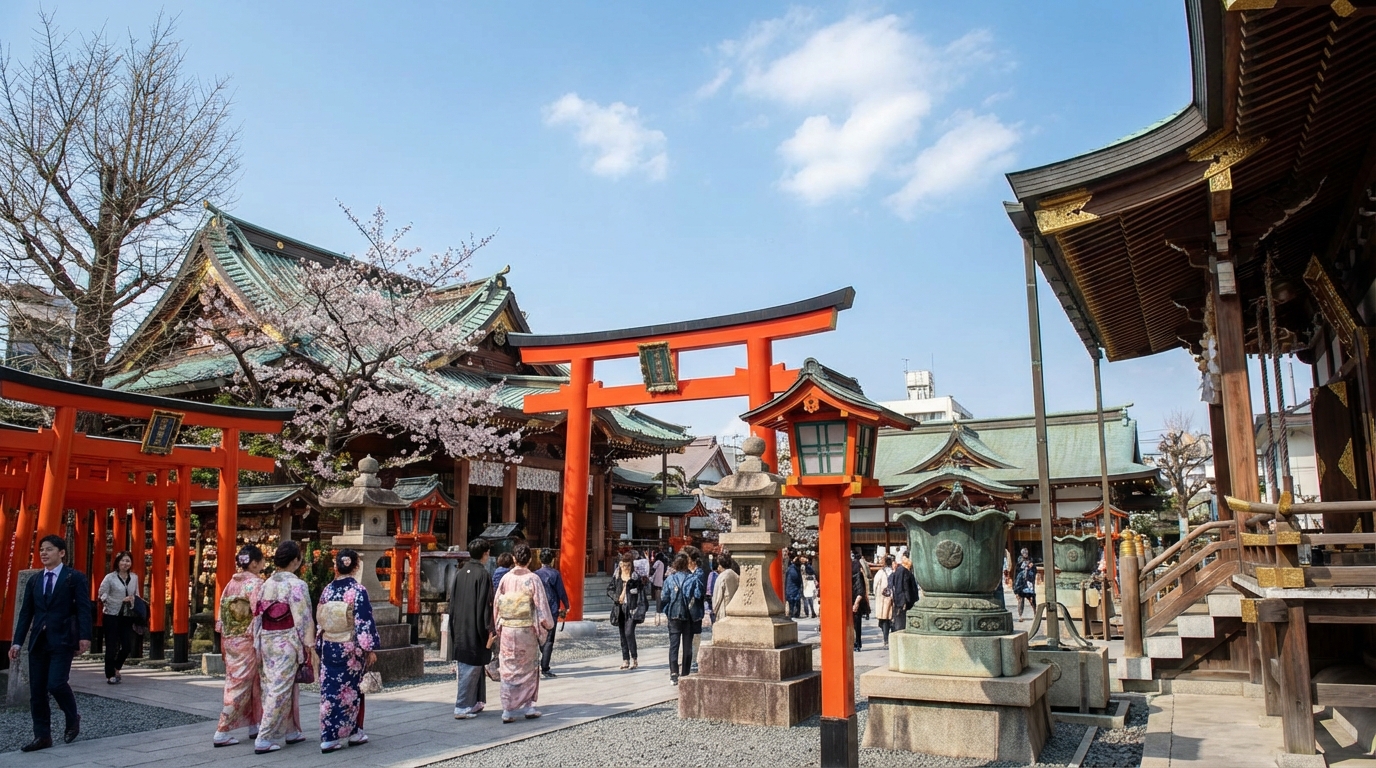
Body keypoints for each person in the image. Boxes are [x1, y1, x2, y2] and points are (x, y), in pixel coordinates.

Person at [9, 534, 92, 752]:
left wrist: (85, 636)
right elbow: (26, 613)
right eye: (41, 550)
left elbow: (84, 608)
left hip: (63, 639)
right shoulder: (35, 580)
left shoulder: (74, 578)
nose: (44, 553)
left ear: (62, 552)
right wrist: (17, 642)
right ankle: (42, 736)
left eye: (49, 549)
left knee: (55, 683)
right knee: (37, 691)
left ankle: (72, 716)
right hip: (39, 640)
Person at [316, 548, 381, 753]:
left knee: (330, 691)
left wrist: (319, 645)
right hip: (350, 647)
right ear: (356, 566)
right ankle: (353, 732)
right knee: (351, 691)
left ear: (336, 566)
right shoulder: (358, 590)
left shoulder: (327, 590)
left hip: (329, 645)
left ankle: (329, 736)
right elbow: (363, 621)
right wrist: (368, 647)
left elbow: (321, 620)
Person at [253, 540, 314, 754]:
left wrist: (256, 640)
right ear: (295, 560)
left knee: (274, 685)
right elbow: (303, 617)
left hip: (267, 639)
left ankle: (291, 730)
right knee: (279, 688)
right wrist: (309, 643)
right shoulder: (297, 585)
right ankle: (264, 736)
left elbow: (258, 615)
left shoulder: (266, 584)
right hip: (286, 640)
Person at [492, 544, 555, 723]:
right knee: (528, 667)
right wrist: (547, 624)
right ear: (529, 559)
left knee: (508, 667)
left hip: (508, 630)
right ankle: (529, 705)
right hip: (526, 630)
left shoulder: (506, 579)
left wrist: (499, 626)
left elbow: (497, 604)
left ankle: (507, 709)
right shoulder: (532, 579)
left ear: (514, 559)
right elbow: (541, 606)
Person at [213, 545, 266, 747]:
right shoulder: (256, 584)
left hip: (230, 638)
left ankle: (254, 723)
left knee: (250, 682)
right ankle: (222, 730)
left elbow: (222, 614)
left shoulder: (230, 584)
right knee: (240, 684)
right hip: (247, 638)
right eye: (261, 560)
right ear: (254, 563)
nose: (263, 564)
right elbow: (258, 615)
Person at [448, 538, 494, 719]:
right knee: (471, 666)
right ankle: (461, 706)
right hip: (475, 626)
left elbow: (452, 601)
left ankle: (475, 702)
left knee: (470, 666)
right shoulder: (482, 575)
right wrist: (488, 628)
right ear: (485, 554)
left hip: (460, 624)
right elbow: (486, 605)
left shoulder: (460, 573)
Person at [659, 552, 702, 685]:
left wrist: (668, 611)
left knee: (674, 645)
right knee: (687, 645)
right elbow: (698, 595)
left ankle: (673, 673)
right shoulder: (693, 579)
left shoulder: (670, 580)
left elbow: (664, 598)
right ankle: (685, 672)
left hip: (673, 614)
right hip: (688, 615)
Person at [97, 550, 139, 685]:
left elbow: (136, 595)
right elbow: (102, 594)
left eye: (128, 561)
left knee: (127, 646)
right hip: (111, 614)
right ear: (117, 562)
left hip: (127, 615)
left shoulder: (134, 577)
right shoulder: (110, 577)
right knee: (111, 645)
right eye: (123, 560)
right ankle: (110, 674)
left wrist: (132, 599)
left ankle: (117, 667)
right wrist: (119, 600)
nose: (125, 563)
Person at [606, 551, 646, 670]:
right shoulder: (617, 576)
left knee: (629, 632)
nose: (625, 568)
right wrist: (616, 597)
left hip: (631, 609)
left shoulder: (635, 577)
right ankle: (625, 659)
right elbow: (609, 589)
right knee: (622, 635)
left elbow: (641, 593)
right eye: (623, 565)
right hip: (619, 608)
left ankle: (634, 658)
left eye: (627, 565)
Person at [534, 548, 569, 679]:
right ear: (552, 560)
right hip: (551, 608)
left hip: (538, 608)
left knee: (537, 636)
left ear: (540, 559)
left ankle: (537, 663)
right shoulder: (555, 574)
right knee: (549, 638)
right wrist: (566, 605)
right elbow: (561, 591)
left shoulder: (535, 574)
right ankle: (545, 667)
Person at [890, 554, 919, 632]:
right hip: (903, 603)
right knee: (901, 624)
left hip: (904, 602)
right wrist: (904, 601)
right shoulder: (903, 571)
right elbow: (902, 586)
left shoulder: (903, 570)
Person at [872, 555, 895, 648]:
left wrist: (876, 594)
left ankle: (886, 639)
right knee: (892, 618)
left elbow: (875, 585)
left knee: (884, 618)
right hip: (893, 598)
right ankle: (892, 637)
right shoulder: (894, 571)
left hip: (882, 598)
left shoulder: (880, 573)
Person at [710, 553, 739, 622]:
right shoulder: (735, 575)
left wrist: (714, 611)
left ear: (720, 565)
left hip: (723, 607)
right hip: (734, 608)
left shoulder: (722, 577)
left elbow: (718, 596)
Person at [851, 552, 870, 651]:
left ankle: (856, 643)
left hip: (855, 601)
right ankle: (856, 642)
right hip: (854, 601)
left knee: (856, 623)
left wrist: (856, 603)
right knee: (856, 624)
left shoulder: (856, 574)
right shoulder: (857, 572)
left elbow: (860, 590)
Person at [1014, 549, 1038, 621]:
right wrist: (1015, 587)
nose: (1025, 554)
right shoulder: (1019, 564)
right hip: (1021, 585)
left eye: (1026, 552)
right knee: (1020, 600)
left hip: (1029, 584)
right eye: (1024, 553)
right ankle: (1020, 616)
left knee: (1032, 599)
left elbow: (1035, 571)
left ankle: (1035, 614)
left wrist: (1031, 567)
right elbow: (1016, 575)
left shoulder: (1031, 562)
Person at [649, 555, 666, 625]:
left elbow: (653, 568)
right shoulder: (664, 563)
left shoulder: (658, 562)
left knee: (658, 596)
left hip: (656, 581)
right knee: (660, 596)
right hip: (661, 581)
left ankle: (658, 609)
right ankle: (660, 608)